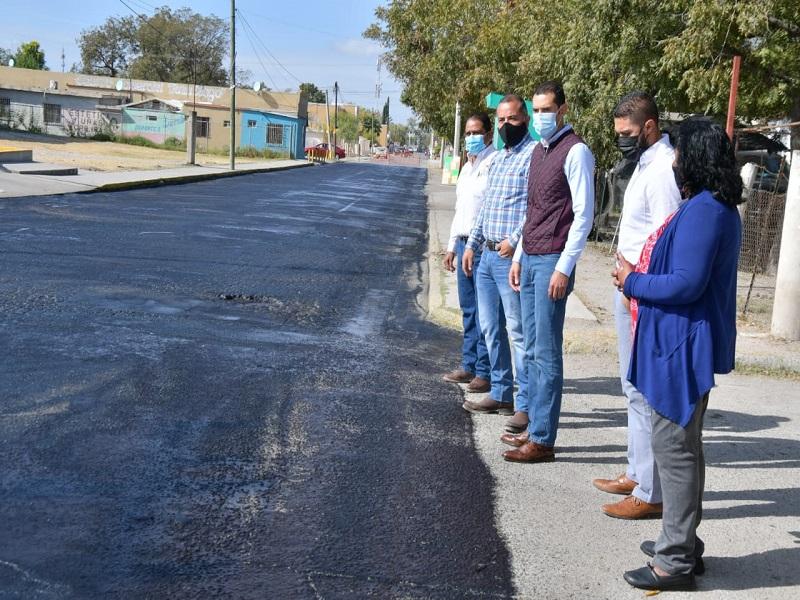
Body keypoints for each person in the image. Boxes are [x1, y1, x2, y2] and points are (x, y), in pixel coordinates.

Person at [613, 117, 743, 591]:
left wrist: (632, 281)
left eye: (680, 152)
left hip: (680, 344)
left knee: (675, 451)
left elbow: (686, 283)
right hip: (677, 339)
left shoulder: (707, 210)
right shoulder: (708, 205)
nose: (675, 161)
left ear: (697, 157)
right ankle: (684, 543)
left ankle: (674, 562)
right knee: (683, 448)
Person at [592, 91, 683, 519]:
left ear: (649, 126)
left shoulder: (663, 169)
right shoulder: (645, 164)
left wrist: (638, 281)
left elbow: (666, 235)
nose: (622, 141)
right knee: (632, 385)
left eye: (627, 133)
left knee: (645, 389)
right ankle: (637, 471)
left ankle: (651, 492)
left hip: (641, 288)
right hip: (627, 283)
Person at [502, 81, 595, 463]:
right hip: (531, 258)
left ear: (562, 110)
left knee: (545, 352)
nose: (541, 116)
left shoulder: (576, 151)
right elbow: (533, 212)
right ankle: (534, 425)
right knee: (531, 349)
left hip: (553, 261)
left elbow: (584, 215)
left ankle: (542, 439)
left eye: (547, 110)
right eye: (536, 110)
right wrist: (519, 256)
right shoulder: (540, 151)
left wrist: (563, 267)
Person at [461, 94, 535, 424]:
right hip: (486, 257)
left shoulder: (533, 156)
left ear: (525, 119)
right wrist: (471, 245)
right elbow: (486, 208)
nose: (506, 125)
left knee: (517, 332)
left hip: (509, 258)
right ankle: (502, 392)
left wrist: (514, 241)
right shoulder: (499, 159)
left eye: (512, 119)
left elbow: (535, 208)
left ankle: (525, 404)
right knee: (490, 329)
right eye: (501, 119)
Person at [442, 113, 504, 394]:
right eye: (467, 133)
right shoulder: (467, 168)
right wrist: (451, 246)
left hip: (482, 248)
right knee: (468, 310)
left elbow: (489, 208)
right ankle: (468, 365)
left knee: (485, 314)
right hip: (463, 243)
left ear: (489, 134)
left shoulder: (494, 163)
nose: (471, 138)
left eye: (476, 132)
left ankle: (484, 371)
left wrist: (471, 245)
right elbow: (461, 210)